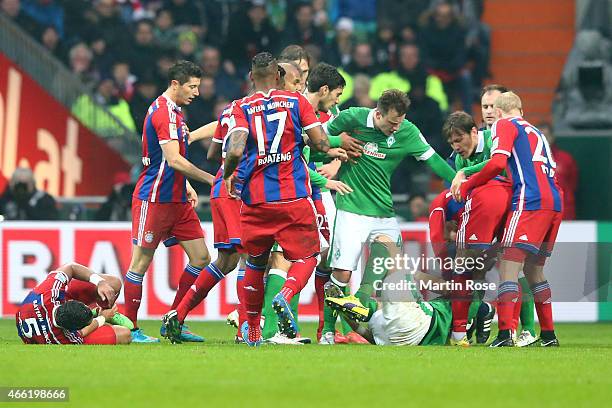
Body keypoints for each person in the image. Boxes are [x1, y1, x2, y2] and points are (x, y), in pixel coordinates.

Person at [320, 89, 457, 344]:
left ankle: (363, 304)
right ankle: (327, 332)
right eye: (392, 122)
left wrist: (458, 180)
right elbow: (317, 139)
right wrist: (338, 146)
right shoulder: (353, 118)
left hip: (384, 212)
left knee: (392, 265)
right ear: (378, 113)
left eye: (400, 122)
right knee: (341, 274)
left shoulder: (407, 131)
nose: (396, 127)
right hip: (351, 207)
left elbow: (434, 161)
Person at [223, 52, 331, 346]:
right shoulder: (297, 103)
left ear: (250, 77)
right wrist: (326, 147)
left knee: (255, 264)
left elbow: (234, 149)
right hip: (294, 196)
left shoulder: (240, 107)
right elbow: (320, 141)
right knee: (309, 255)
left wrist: (229, 175)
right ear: (280, 77)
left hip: (256, 201)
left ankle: (253, 327)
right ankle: (285, 295)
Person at [452, 92, 562, 347]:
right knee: (535, 271)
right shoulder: (537, 131)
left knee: (508, 268)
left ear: (500, 112)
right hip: (554, 202)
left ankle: (504, 335)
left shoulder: (504, 124)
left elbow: (497, 162)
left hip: (529, 201)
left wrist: (469, 183)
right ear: (520, 110)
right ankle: (548, 335)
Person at [125, 60, 215, 343]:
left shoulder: (175, 112)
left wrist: (186, 183)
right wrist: (209, 180)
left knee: (201, 258)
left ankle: (175, 320)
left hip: (177, 199)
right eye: (192, 86)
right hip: (154, 198)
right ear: (175, 84)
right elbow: (173, 159)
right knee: (140, 263)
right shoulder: (163, 113)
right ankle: (130, 328)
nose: (196, 92)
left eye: (198, 87)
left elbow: (168, 159)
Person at [16, 262, 132, 345]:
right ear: (71, 330)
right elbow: (81, 333)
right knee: (125, 335)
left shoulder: (50, 291)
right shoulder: (61, 338)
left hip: (37, 312)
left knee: (113, 283)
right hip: (45, 326)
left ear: (68, 302)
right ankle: (104, 317)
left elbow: (70, 267)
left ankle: (96, 313)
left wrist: (100, 282)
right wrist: (102, 318)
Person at [538, 122, 578, 220]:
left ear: (552, 137)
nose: (544, 140)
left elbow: (573, 184)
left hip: (564, 212)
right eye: (540, 137)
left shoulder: (565, 159)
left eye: (546, 136)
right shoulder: (528, 160)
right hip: (538, 212)